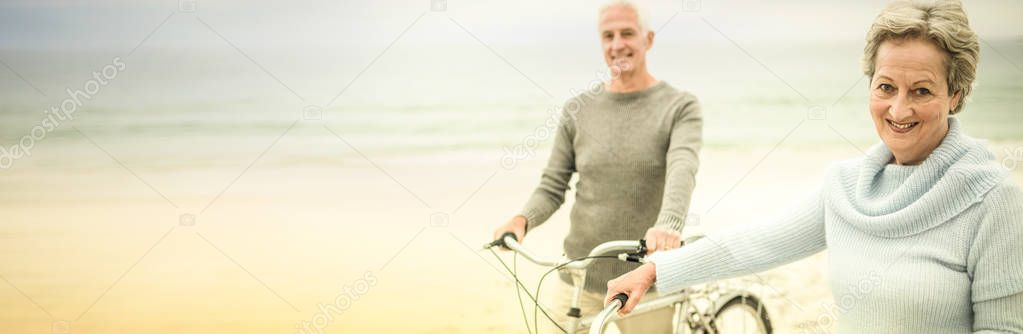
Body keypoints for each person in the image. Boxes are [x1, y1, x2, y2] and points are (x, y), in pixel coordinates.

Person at [604, 0, 1023, 332]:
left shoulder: (993, 200)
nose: (899, 108)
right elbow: (757, 242)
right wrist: (657, 270)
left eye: (922, 90)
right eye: (886, 87)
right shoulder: (846, 186)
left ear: (956, 94)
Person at [493, 0, 703, 332]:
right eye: (608, 36)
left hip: (645, 278)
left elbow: (683, 168)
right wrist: (522, 220)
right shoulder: (578, 109)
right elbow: (552, 185)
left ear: (648, 39)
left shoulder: (679, 106)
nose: (617, 44)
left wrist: (669, 224)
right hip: (579, 275)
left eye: (627, 33)